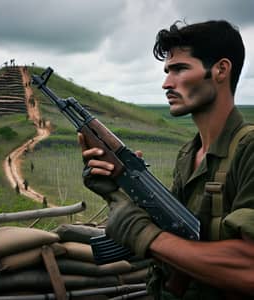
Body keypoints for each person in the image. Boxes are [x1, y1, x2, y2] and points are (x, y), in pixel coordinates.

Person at [78, 20, 254, 299]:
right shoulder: (187, 154)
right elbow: (179, 238)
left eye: (180, 69)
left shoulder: (249, 150)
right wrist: (120, 192)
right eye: (166, 71)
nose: (166, 83)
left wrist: (146, 235)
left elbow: (249, 267)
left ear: (221, 70)